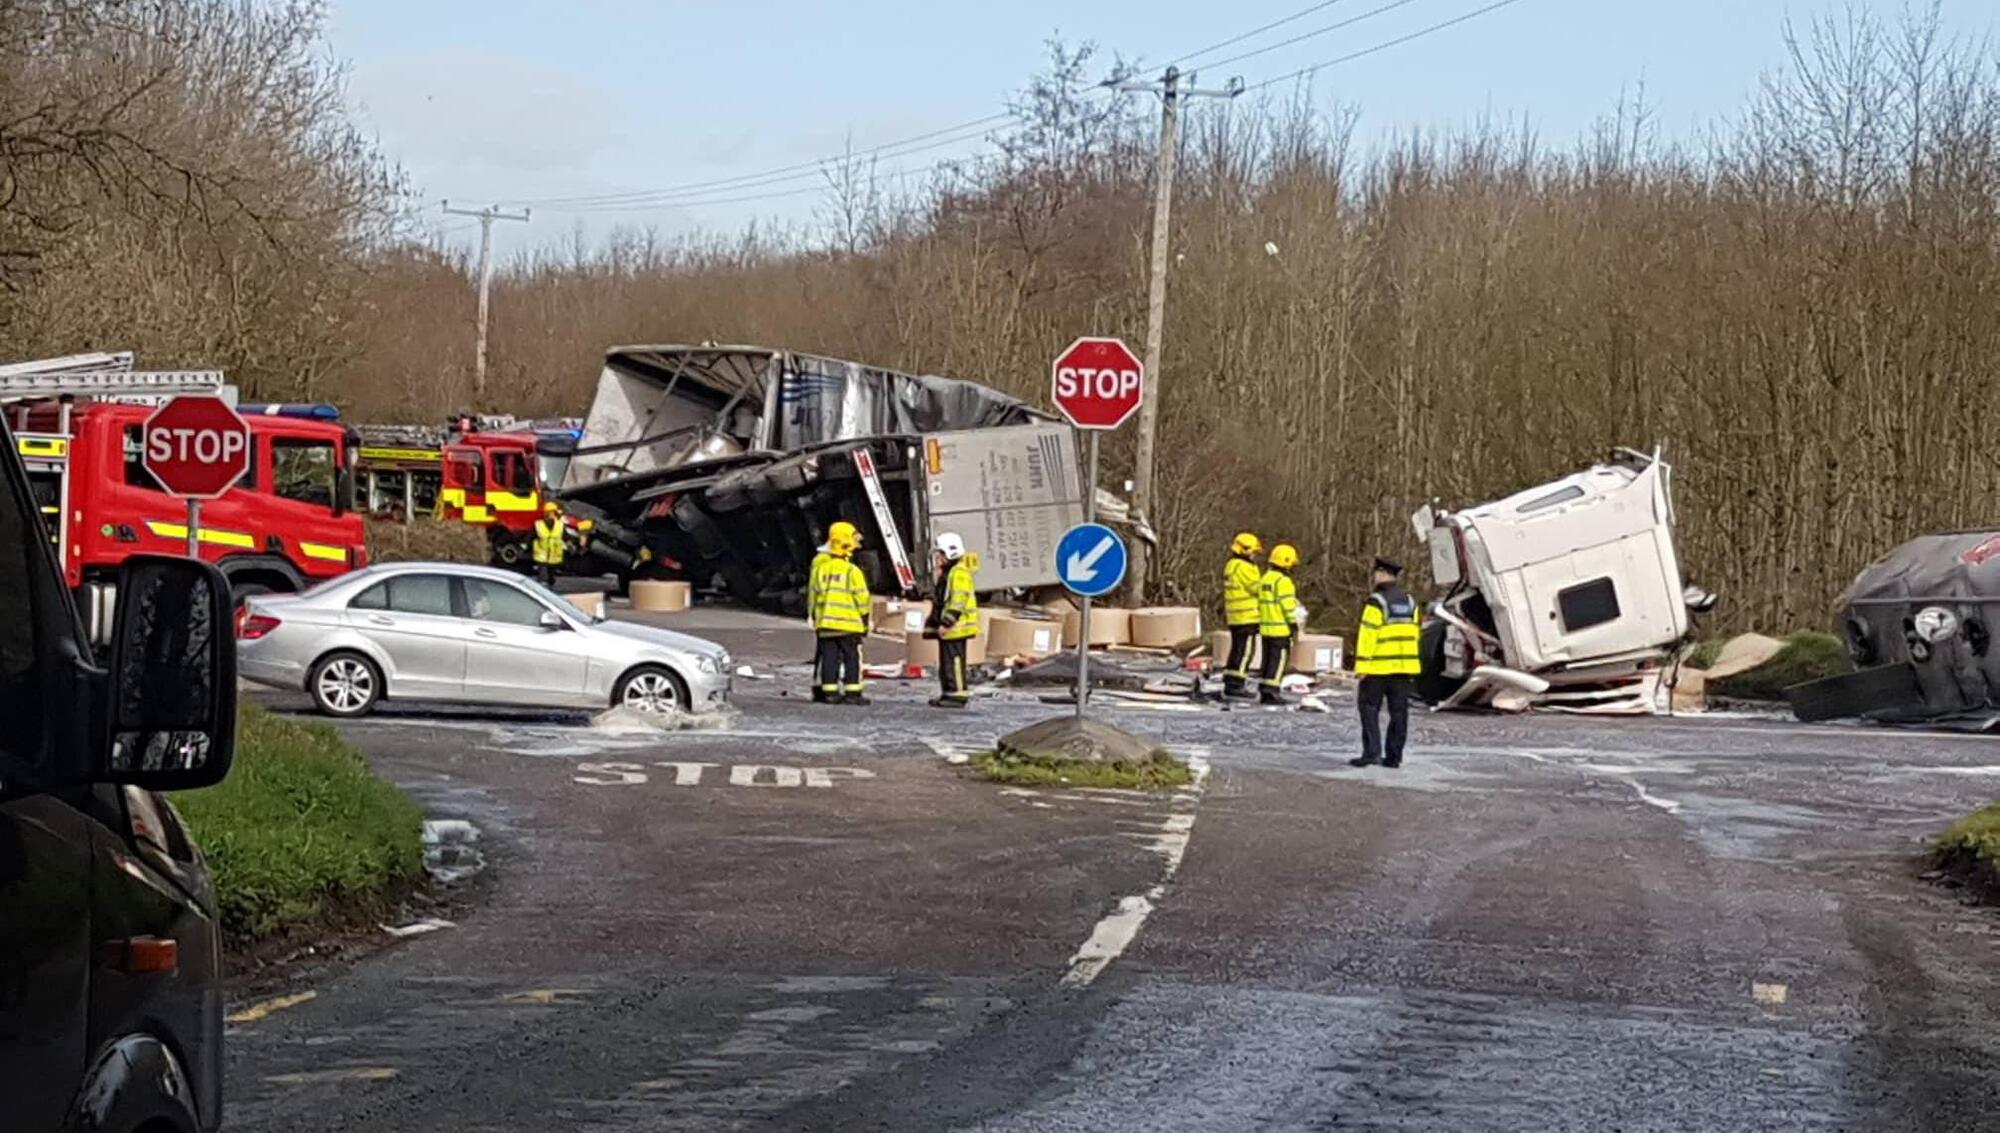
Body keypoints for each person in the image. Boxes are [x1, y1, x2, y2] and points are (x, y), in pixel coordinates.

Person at [1351, 557, 1422, 768]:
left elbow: (1367, 635)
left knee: (1369, 709)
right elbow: (1416, 633)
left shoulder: (1377, 602)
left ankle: (1371, 753)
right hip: (1404, 668)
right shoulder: (1410, 602)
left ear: (1381, 573)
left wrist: (1362, 666)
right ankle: (1394, 757)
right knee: (1399, 713)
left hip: (1378, 667)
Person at [808, 520, 871, 705]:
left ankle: (830, 692)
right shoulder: (852, 571)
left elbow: (816, 596)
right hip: (849, 626)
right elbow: (862, 599)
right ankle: (853, 693)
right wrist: (865, 621)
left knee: (829, 659)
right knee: (852, 659)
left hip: (826, 625)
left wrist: (815, 618)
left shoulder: (821, 569)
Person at [924, 532, 980, 709]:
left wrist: (947, 622)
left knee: (954, 661)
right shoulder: (950, 573)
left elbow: (958, 600)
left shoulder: (959, 573)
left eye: (940, 554)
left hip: (957, 627)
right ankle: (948, 693)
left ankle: (957, 695)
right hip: (953, 627)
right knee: (947, 662)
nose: (937, 558)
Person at [1257, 543, 1304, 705]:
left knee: (1267, 660)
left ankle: (1264, 689)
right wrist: (1295, 624)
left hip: (1265, 627)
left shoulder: (1265, 579)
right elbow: (1288, 606)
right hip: (1280, 628)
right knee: (1278, 662)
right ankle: (1272, 691)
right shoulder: (1283, 581)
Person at [1221, 532, 1264, 698]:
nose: (1254, 555)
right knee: (1245, 651)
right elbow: (1257, 588)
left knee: (1237, 650)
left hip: (1235, 616)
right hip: (1247, 616)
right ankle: (1236, 684)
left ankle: (1230, 680)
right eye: (1253, 552)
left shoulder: (1231, 565)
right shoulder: (1244, 567)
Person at [531, 501, 566, 587]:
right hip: (542, 555)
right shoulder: (538, 524)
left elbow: (565, 536)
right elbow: (531, 536)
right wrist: (523, 545)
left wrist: (570, 544)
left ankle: (549, 585)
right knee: (543, 574)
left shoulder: (560, 525)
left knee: (551, 577)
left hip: (554, 555)